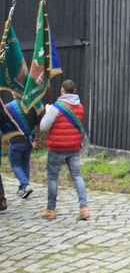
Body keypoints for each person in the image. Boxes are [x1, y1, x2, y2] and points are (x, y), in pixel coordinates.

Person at [39, 80, 89, 220]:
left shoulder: (57, 107)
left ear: (62, 90)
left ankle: (51, 209)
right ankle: (84, 208)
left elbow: (43, 126)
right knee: (77, 176)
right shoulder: (80, 107)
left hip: (57, 147)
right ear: (74, 90)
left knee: (53, 177)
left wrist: (48, 112)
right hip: (73, 146)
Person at [5, 97, 39, 199]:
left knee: (15, 164)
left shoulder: (8, 107)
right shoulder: (32, 105)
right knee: (25, 163)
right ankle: (22, 188)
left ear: (13, 93)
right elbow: (37, 122)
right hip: (29, 140)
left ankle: (25, 185)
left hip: (15, 140)